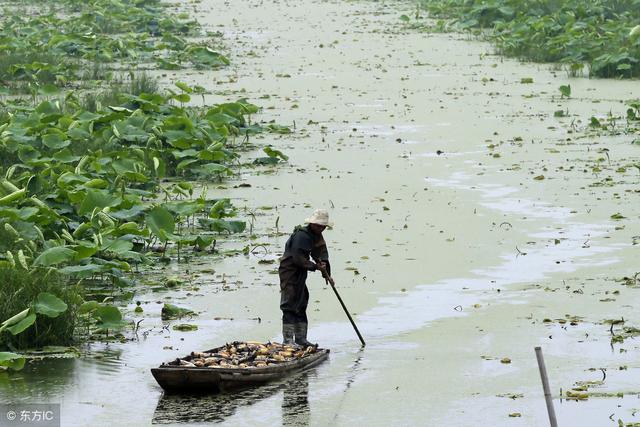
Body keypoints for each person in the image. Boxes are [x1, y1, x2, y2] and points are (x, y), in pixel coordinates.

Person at [279, 209, 332, 347]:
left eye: (323, 226)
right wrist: (315, 267)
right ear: (312, 224)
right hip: (289, 271)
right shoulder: (301, 236)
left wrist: (327, 274)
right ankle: (288, 341)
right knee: (289, 304)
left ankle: (301, 339)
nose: (320, 228)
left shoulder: (317, 235)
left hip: (301, 272)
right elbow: (298, 259)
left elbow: (322, 255)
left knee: (302, 302)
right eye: (318, 225)